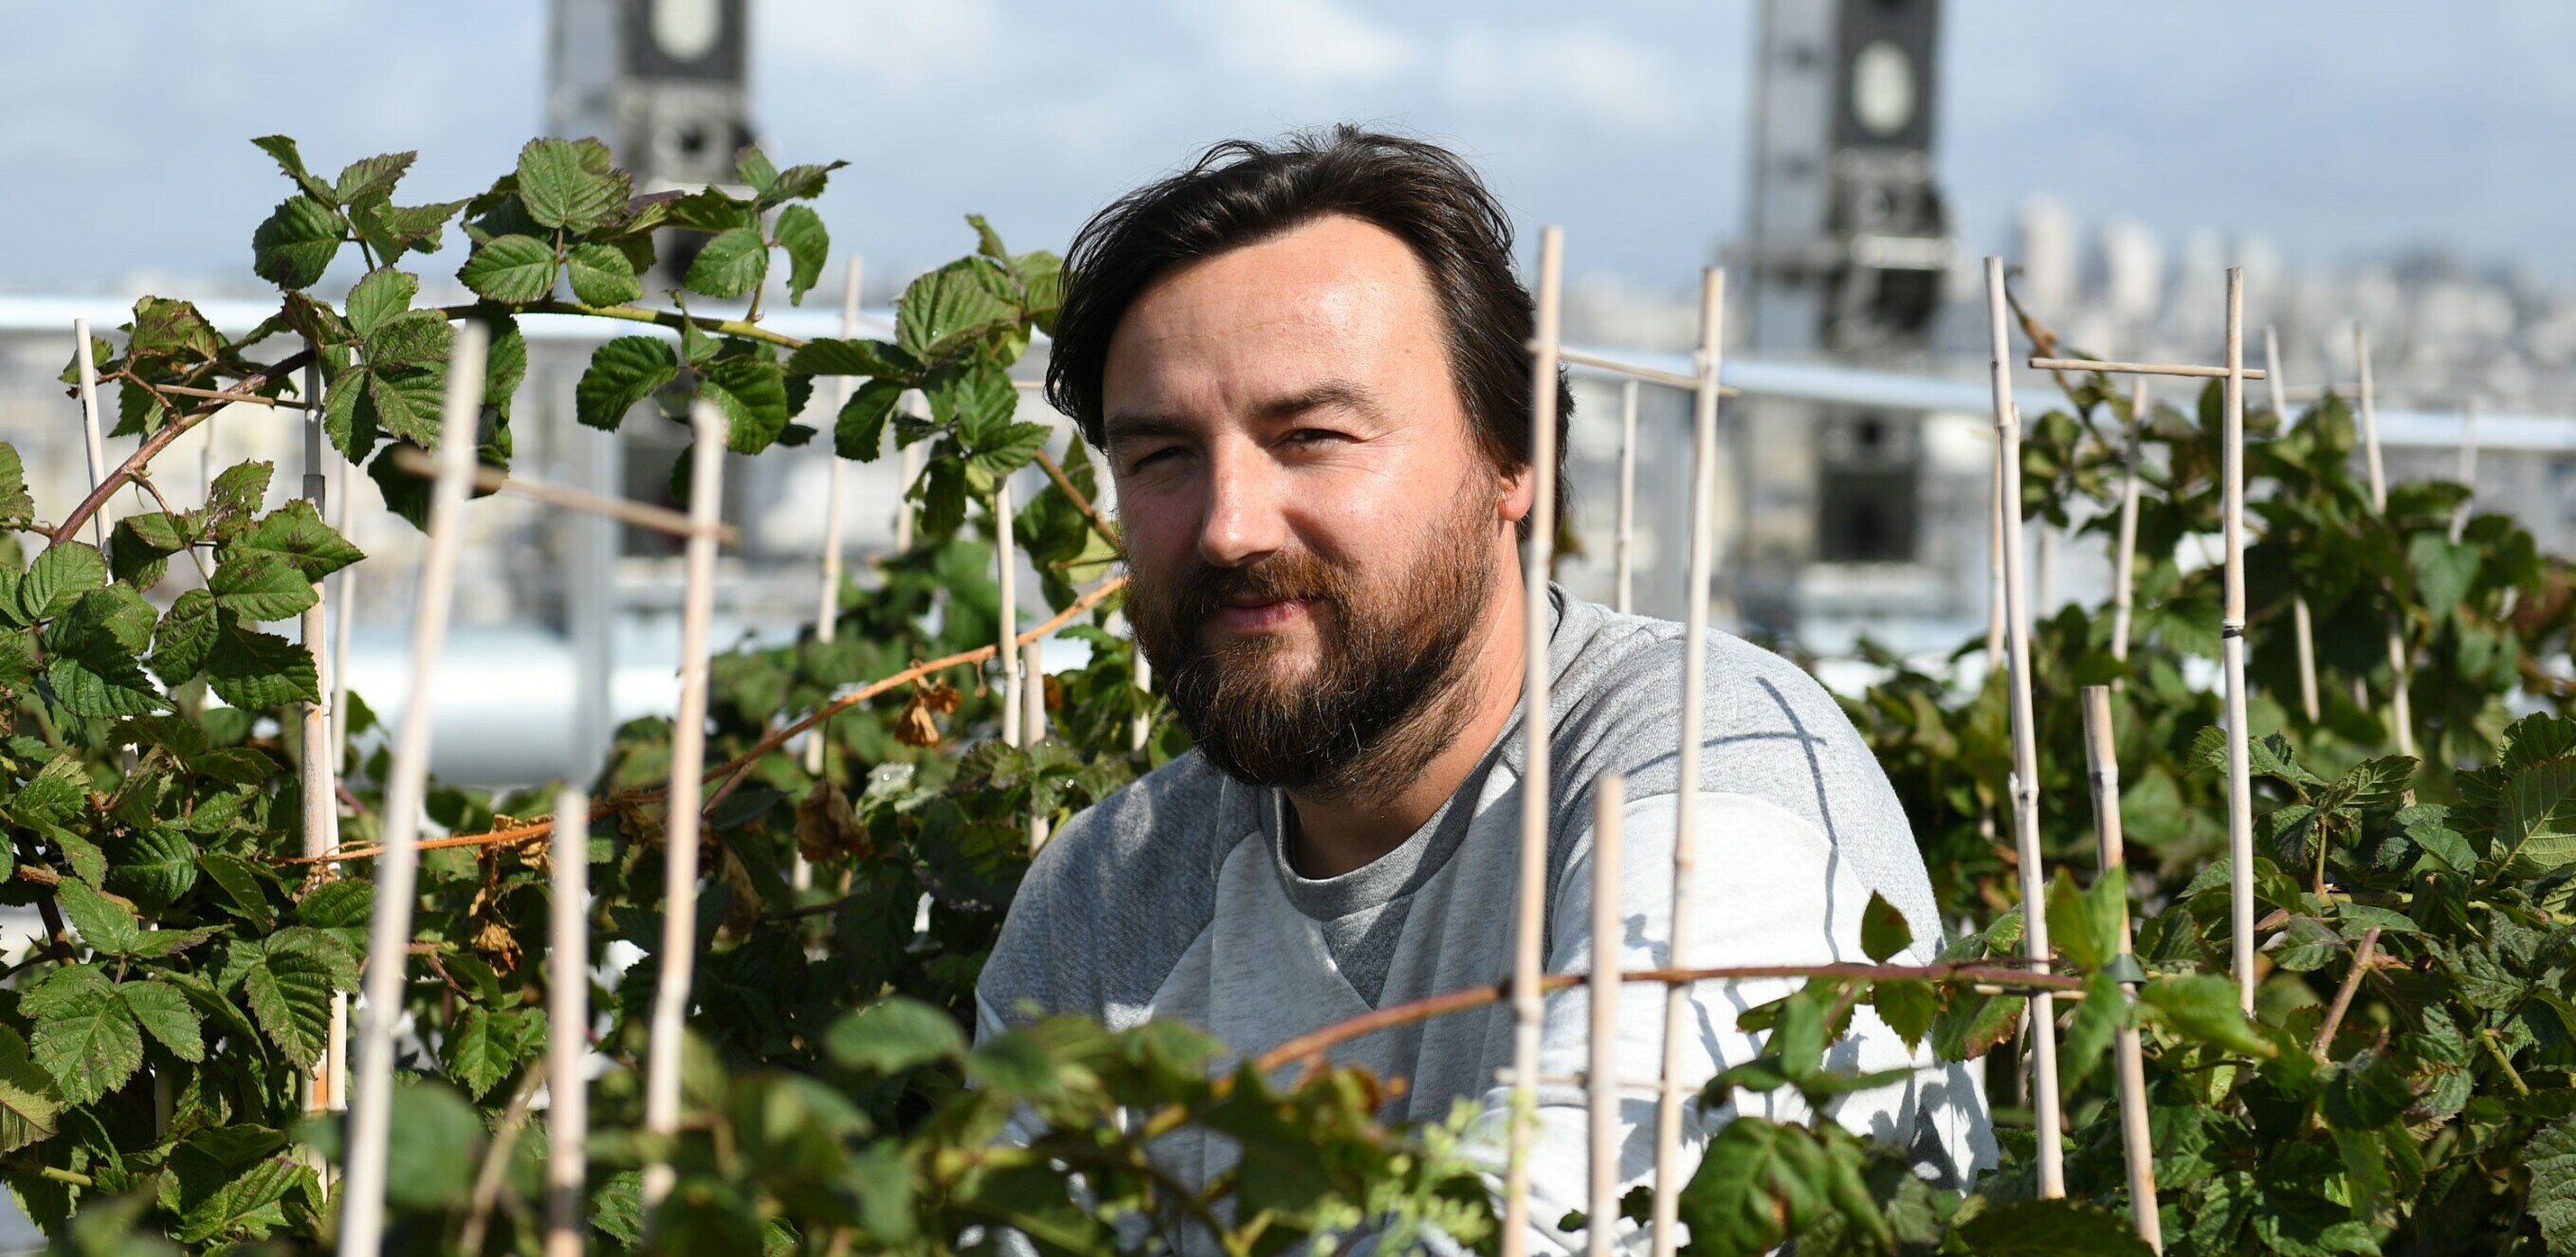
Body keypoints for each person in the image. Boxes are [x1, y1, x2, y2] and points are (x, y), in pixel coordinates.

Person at [976, 125, 1992, 1252]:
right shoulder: (1107, 901)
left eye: (1310, 436)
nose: (1227, 526)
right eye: (1160, 457)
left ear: (1511, 463)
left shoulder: (1709, 762)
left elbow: (1571, 1220)